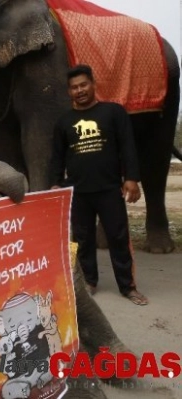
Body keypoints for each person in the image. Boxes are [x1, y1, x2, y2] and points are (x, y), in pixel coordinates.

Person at [50, 64, 148, 306]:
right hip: (78, 192)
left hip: (109, 189)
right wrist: (55, 184)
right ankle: (89, 282)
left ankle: (128, 286)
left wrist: (132, 178)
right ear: (69, 92)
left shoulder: (113, 112)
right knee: (82, 240)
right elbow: (57, 157)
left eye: (83, 85)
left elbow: (128, 147)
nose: (80, 90)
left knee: (118, 237)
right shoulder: (64, 122)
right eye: (74, 88)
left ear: (94, 85)